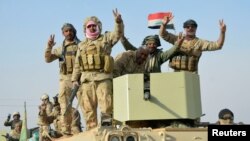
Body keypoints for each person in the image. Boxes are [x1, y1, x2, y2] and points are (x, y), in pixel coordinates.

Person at [71, 9, 124, 130]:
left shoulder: (106, 38)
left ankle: (107, 131)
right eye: (89, 26)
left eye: (94, 26)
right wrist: (74, 79)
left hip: (103, 79)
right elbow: (77, 64)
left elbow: (118, 33)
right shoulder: (81, 45)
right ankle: (92, 133)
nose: (92, 28)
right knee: (88, 110)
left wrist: (118, 22)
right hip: (86, 81)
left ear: (98, 26)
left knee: (106, 107)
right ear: (85, 29)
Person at [159, 13, 226, 73]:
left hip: (191, 76)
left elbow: (218, 45)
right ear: (184, 29)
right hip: (177, 75)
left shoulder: (200, 43)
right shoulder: (177, 39)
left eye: (193, 27)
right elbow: (163, 34)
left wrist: (222, 32)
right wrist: (163, 25)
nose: (190, 28)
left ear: (196, 28)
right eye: (188, 27)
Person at [44, 23, 80, 135]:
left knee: (86, 104)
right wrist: (49, 47)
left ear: (74, 32)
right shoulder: (60, 49)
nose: (68, 33)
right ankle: (66, 130)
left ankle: (91, 128)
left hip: (80, 79)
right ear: (63, 33)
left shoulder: (81, 46)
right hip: (65, 79)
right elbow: (48, 59)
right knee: (64, 105)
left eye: (70, 30)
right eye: (66, 31)